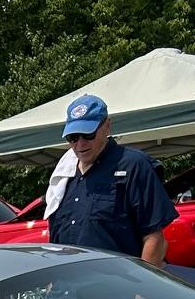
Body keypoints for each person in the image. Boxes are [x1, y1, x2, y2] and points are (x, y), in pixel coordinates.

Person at [44, 96, 174, 268]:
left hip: (118, 282)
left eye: (88, 134)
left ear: (107, 126)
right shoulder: (62, 176)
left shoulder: (133, 165)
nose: (80, 144)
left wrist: (144, 286)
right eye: (73, 137)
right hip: (69, 282)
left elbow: (154, 238)